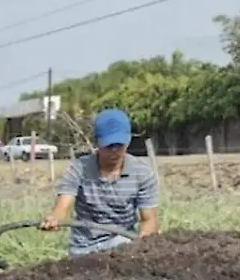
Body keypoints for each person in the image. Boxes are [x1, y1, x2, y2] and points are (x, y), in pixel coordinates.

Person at [39, 108, 159, 257]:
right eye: (109, 146)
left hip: (120, 243)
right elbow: (63, 205)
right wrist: (55, 218)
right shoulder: (79, 168)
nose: (114, 151)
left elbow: (149, 220)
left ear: (128, 141)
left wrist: (142, 246)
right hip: (83, 247)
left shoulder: (142, 173)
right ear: (97, 142)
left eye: (119, 145)